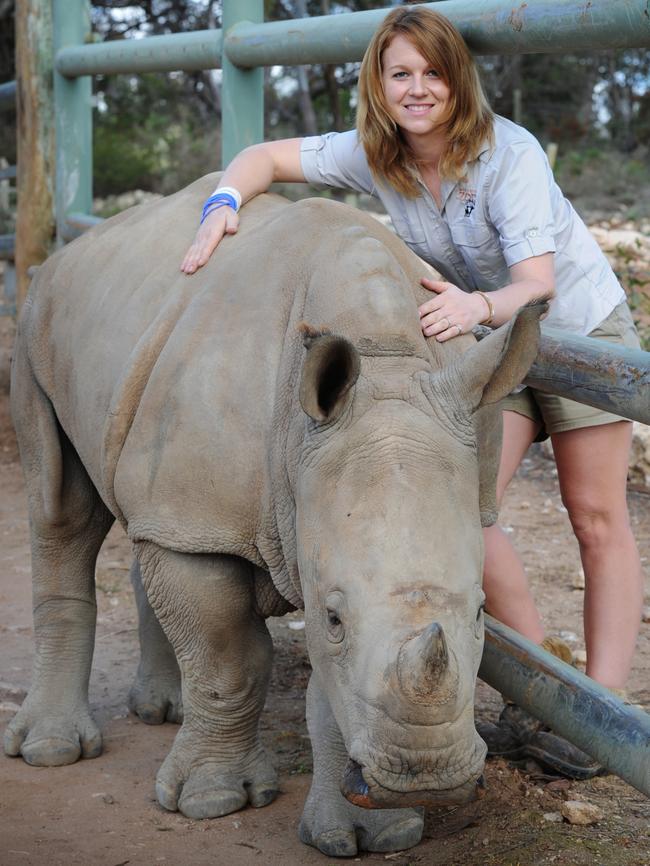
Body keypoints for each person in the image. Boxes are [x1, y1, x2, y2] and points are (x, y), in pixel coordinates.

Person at [180, 7, 643, 776]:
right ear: (381, 85)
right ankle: (540, 696)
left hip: (575, 329)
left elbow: (536, 284)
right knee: (468, 510)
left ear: (457, 81)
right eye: (401, 74)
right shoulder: (374, 153)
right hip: (488, 348)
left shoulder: (508, 154)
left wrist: (473, 306)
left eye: (433, 73)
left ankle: (603, 706)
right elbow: (261, 157)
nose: (418, 88)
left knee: (596, 517)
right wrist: (221, 205)